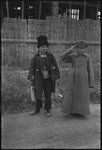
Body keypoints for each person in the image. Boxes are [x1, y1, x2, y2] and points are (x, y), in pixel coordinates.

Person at [60, 40, 94, 117]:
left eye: (83, 48)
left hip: (83, 78)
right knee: (71, 94)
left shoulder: (87, 57)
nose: (81, 50)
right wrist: (70, 49)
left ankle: (81, 112)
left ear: (86, 49)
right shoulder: (73, 56)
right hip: (73, 77)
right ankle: (71, 111)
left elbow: (90, 69)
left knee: (82, 95)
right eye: (79, 48)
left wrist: (91, 82)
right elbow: (62, 57)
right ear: (76, 48)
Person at [28, 35, 60, 117]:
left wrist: (56, 74)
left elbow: (56, 65)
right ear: (39, 48)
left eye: (46, 47)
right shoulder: (36, 56)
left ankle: (48, 109)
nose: (44, 48)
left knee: (48, 93)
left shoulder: (50, 56)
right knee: (37, 93)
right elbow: (32, 68)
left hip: (48, 78)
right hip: (38, 78)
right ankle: (37, 108)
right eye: (42, 47)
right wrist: (31, 78)